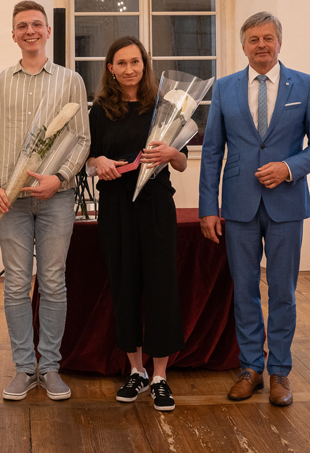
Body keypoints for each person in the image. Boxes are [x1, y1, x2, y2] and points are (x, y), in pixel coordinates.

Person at [198, 11, 310, 407]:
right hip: (238, 205)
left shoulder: (305, 85)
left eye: (268, 38)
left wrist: (288, 168)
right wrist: (209, 207)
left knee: (283, 292)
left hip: (286, 205)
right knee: (244, 291)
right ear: (243, 46)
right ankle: (250, 368)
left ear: (279, 43)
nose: (261, 45)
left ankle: (279, 373)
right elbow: (212, 152)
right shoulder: (224, 88)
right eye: (254, 39)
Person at [0, 0, 90, 402]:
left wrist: (60, 177)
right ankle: (24, 368)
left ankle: (51, 367)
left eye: (36, 24)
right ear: (13, 35)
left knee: (54, 281)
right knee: (15, 284)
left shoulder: (70, 81)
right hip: (10, 201)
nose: (30, 31)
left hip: (56, 197)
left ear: (47, 31)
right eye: (22, 25)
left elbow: (82, 139)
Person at [86, 36, 187, 412]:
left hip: (156, 206)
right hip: (116, 207)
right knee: (124, 286)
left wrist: (172, 152)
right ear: (110, 69)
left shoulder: (165, 106)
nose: (129, 69)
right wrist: (98, 162)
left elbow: (181, 163)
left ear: (145, 65)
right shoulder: (100, 109)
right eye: (122, 63)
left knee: (162, 287)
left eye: (135, 62)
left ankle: (160, 376)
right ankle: (136, 371)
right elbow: (88, 159)